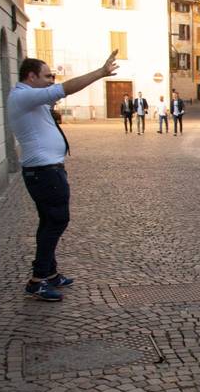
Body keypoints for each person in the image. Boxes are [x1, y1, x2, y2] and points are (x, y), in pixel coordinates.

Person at [6, 51, 119, 301]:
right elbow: (64, 89)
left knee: (48, 221)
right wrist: (100, 73)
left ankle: (50, 273)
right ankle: (38, 280)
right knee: (56, 221)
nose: (51, 80)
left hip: (46, 171)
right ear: (31, 76)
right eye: (47, 76)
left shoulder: (27, 98)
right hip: (44, 172)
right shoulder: (23, 96)